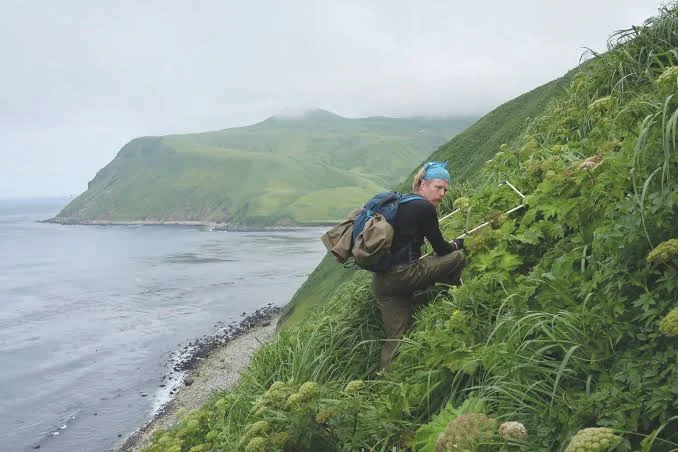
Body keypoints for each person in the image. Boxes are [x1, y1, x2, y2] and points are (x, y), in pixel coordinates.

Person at [373, 161, 467, 369]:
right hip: (404, 274)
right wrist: (457, 244)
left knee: (396, 338)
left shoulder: (401, 203)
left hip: (382, 281)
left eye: (445, 189)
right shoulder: (423, 207)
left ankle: (385, 381)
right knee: (457, 257)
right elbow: (442, 249)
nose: (442, 194)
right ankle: (460, 296)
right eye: (438, 187)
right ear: (422, 184)